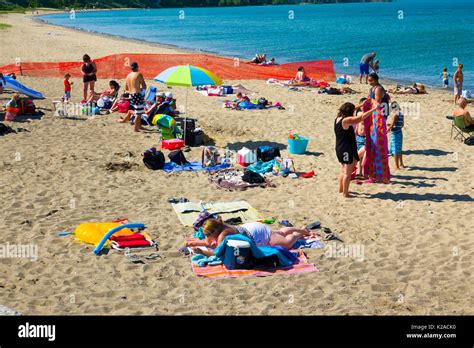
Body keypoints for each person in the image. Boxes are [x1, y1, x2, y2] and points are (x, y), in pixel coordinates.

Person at [190, 219, 319, 256]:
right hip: (252, 228)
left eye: (207, 234)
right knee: (279, 232)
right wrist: (193, 244)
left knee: (286, 242)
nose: (206, 236)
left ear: (215, 232)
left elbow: (218, 252)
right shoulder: (219, 227)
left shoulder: (223, 234)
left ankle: (298, 234)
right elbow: (208, 242)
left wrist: (203, 252)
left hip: (258, 235)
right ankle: (302, 230)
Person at [335, 100, 378, 198]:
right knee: (347, 172)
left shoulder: (338, 118)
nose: (353, 113)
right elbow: (360, 118)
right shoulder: (345, 121)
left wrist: (362, 105)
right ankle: (345, 193)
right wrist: (374, 109)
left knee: (343, 170)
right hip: (346, 149)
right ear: (348, 113)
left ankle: (341, 190)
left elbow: (352, 109)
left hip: (340, 148)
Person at [364, 73, 391, 184]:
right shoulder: (372, 88)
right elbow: (369, 101)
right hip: (373, 118)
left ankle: (381, 174)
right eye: (368, 80)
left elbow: (377, 104)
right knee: (372, 146)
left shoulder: (378, 89)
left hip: (379, 120)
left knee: (378, 146)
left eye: (370, 80)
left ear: (375, 80)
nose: (369, 82)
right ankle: (373, 173)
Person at [124, 62, 147, 132]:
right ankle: (136, 128)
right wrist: (141, 90)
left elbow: (126, 88)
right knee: (139, 112)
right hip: (137, 94)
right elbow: (144, 85)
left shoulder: (128, 76)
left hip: (131, 95)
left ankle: (139, 126)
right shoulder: (138, 74)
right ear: (137, 67)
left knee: (138, 110)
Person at [387, 102, 405, 170]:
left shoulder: (395, 115)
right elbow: (402, 125)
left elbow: (392, 125)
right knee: (399, 149)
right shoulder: (401, 114)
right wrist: (391, 125)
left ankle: (396, 166)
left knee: (395, 150)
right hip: (400, 132)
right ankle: (401, 164)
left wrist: (388, 129)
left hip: (395, 133)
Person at [355, 98, 367, 178]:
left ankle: (363, 172)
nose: (363, 106)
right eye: (362, 104)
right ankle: (359, 171)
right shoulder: (359, 113)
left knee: (363, 156)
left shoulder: (367, 114)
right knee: (359, 156)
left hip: (365, 137)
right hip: (358, 137)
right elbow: (357, 125)